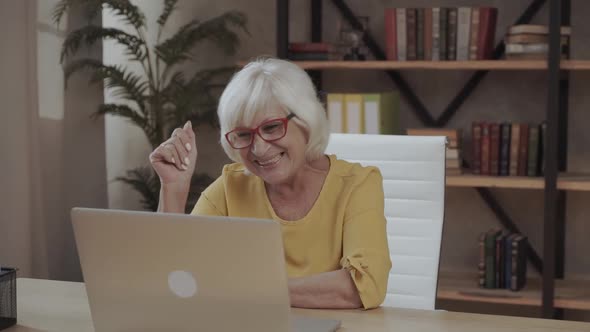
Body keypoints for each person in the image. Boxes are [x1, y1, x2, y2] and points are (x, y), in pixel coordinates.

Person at [149, 57, 391, 309]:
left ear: (306, 121)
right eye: (244, 134)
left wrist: (247, 288)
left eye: (273, 127)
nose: (259, 148)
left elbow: (363, 285)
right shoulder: (230, 189)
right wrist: (173, 189)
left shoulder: (357, 185)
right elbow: (175, 279)